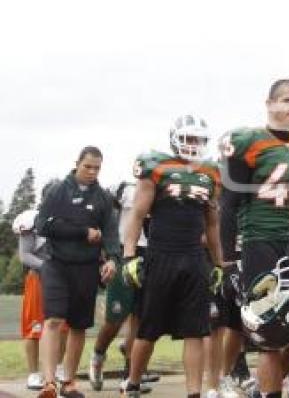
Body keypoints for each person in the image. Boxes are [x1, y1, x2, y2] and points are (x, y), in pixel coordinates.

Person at [121, 114, 224, 398]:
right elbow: (138, 213)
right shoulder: (157, 166)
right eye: (188, 138)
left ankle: (194, 393)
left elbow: (212, 223)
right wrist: (129, 255)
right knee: (149, 328)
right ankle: (132, 383)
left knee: (196, 330)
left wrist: (218, 263)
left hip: (194, 257)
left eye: (198, 139)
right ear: (176, 138)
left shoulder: (211, 172)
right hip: (161, 255)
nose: (193, 144)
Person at [218, 79, 289, 398]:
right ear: (269, 103)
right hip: (262, 241)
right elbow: (227, 206)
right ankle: (264, 390)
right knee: (271, 330)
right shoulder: (249, 141)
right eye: (285, 100)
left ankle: (261, 388)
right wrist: (228, 263)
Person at [34, 147, 120, 398]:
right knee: (53, 321)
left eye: (97, 168)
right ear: (77, 164)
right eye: (87, 167)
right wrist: (83, 232)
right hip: (56, 264)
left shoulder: (103, 198)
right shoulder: (57, 191)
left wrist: (113, 259)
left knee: (79, 326)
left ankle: (68, 381)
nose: (92, 172)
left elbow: (111, 234)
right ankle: (48, 383)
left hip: (87, 267)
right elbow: (43, 226)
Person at [88, 181, 157, 393]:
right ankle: (98, 355)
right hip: (124, 251)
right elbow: (107, 218)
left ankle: (131, 373)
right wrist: (106, 253)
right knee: (115, 317)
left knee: (141, 316)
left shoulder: (167, 188)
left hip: (152, 252)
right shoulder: (125, 188)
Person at [13, 184, 68, 392]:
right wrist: (48, 268)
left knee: (63, 327)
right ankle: (33, 372)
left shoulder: (67, 221)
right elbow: (24, 254)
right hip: (39, 277)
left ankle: (59, 368)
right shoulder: (32, 220)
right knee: (35, 328)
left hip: (63, 278)